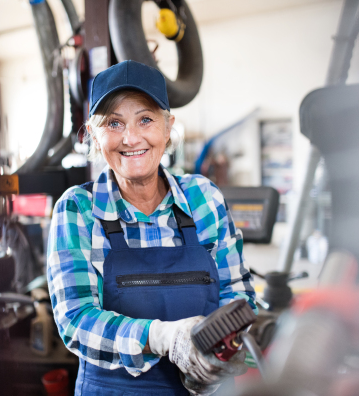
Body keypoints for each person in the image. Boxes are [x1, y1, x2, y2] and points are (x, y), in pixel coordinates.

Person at [47, 60, 256, 395]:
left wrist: (217, 357)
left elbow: (238, 295)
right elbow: (76, 320)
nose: (131, 138)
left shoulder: (204, 197)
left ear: (168, 126)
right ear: (94, 135)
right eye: (114, 123)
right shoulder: (77, 210)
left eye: (145, 119)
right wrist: (164, 338)